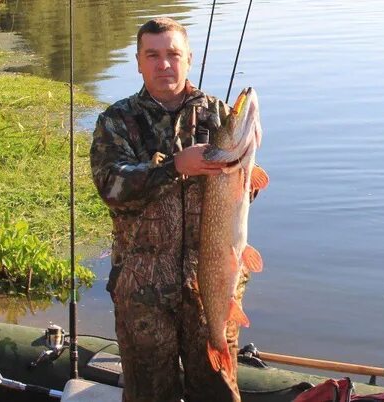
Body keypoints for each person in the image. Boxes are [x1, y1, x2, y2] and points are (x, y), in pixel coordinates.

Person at [90, 17, 250, 402]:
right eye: (153, 55)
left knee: (218, 390)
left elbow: (244, 196)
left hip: (211, 287)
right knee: (149, 394)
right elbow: (112, 187)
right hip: (143, 291)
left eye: (173, 54)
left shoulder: (218, 114)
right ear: (139, 62)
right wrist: (175, 166)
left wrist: (246, 168)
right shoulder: (117, 121)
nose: (164, 64)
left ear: (188, 58)